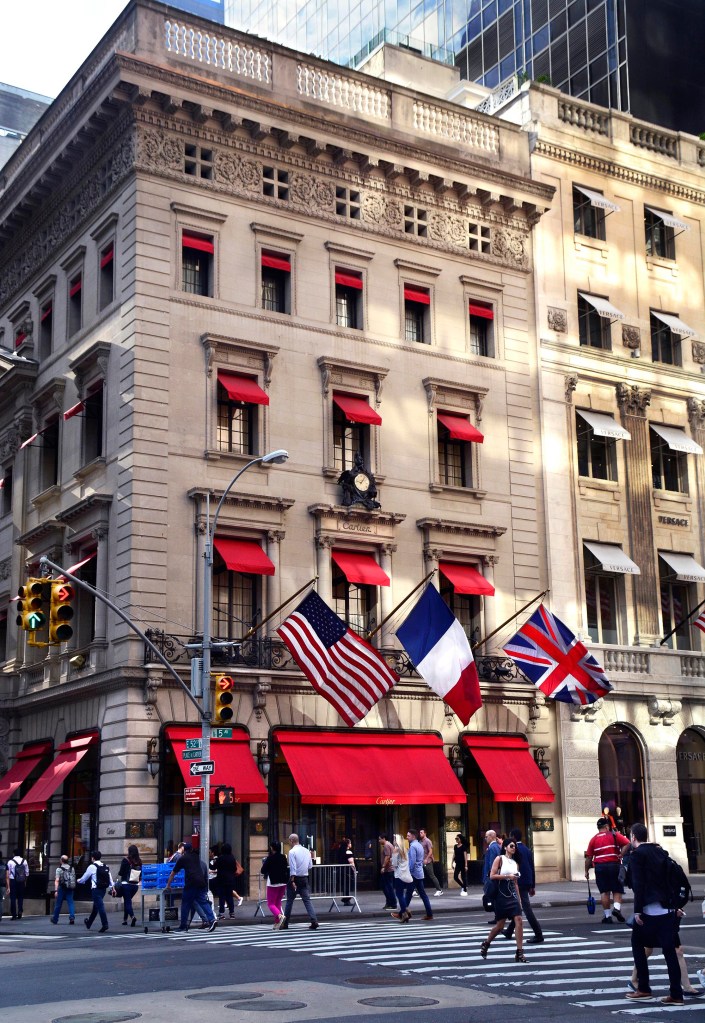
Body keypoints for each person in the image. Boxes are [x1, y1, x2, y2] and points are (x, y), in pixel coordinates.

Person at [626, 822, 684, 1006]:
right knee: (670, 953)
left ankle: (643, 988)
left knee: (637, 944)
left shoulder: (637, 855)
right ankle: (676, 994)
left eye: (630, 836)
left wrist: (637, 911)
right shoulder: (659, 851)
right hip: (667, 910)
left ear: (633, 837)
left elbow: (638, 884)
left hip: (649, 911)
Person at [480, 837, 528, 963]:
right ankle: (486, 943)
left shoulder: (514, 863)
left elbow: (516, 882)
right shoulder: (499, 859)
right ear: (505, 847)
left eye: (514, 846)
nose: (513, 848)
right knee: (500, 926)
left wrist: (519, 900)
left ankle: (519, 952)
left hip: (511, 893)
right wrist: (508, 876)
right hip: (501, 895)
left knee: (519, 920)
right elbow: (492, 875)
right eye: (511, 846)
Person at [585, 816, 630, 924]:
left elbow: (589, 858)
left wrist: (586, 871)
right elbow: (627, 843)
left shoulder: (593, 839)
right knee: (617, 889)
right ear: (606, 826)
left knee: (604, 891)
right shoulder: (614, 835)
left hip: (600, 867)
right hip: (614, 865)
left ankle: (608, 916)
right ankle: (617, 909)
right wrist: (621, 854)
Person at [164, 841, 217, 933]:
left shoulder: (183, 858)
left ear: (184, 850)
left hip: (191, 883)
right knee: (203, 902)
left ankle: (183, 926)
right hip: (201, 882)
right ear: (191, 849)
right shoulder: (196, 857)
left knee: (185, 904)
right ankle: (212, 919)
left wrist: (168, 885)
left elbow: (173, 873)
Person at [503, 828, 543, 944]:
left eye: (510, 837)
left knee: (525, 908)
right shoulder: (527, 849)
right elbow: (532, 867)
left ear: (514, 838)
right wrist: (532, 885)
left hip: (518, 882)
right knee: (518, 906)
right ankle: (509, 931)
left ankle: (538, 933)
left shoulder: (513, 850)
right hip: (527, 881)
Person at [276, 833, 318, 930]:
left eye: (289, 841)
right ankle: (314, 920)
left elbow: (293, 868)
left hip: (295, 878)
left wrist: (292, 880)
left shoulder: (292, 852)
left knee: (289, 901)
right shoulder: (306, 851)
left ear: (291, 841)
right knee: (307, 900)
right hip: (304, 878)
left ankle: (285, 923)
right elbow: (310, 866)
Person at [79, 850, 114, 933]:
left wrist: (79, 881)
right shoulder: (105, 865)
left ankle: (105, 924)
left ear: (93, 858)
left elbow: (84, 877)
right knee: (96, 907)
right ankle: (89, 923)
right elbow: (110, 878)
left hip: (96, 889)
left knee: (100, 906)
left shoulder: (92, 867)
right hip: (103, 889)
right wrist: (112, 887)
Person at [406, 829, 434, 920]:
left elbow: (412, 861)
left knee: (408, 894)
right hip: (419, 872)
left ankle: (402, 912)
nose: (407, 837)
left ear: (413, 836)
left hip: (414, 873)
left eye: (408, 836)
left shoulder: (413, 846)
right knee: (421, 894)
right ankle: (429, 914)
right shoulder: (419, 845)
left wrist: (409, 871)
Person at [261, 841, 289, 928]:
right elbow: (286, 867)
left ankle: (280, 916)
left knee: (271, 904)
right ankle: (277, 923)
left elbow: (263, 870)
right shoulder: (283, 857)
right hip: (283, 882)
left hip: (273, 882)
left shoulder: (270, 858)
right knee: (278, 903)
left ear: (272, 848)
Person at [213, 842, 243, 920]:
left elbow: (213, 867)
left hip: (221, 880)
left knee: (222, 897)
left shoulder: (220, 858)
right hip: (230, 879)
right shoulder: (232, 858)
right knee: (229, 896)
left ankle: (221, 913)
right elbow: (234, 869)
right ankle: (232, 913)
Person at [390, 836, 414, 922]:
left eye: (394, 839)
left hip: (399, 875)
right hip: (407, 875)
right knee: (404, 895)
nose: (392, 841)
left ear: (396, 841)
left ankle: (405, 911)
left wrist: (391, 859)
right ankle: (405, 912)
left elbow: (394, 864)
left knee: (399, 895)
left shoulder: (396, 850)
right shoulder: (405, 849)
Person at [117, 844, 142, 927]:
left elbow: (121, 873)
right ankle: (125, 920)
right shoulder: (139, 861)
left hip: (126, 884)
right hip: (135, 885)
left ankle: (132, 916)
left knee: (127, 902)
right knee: (127, 901)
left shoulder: (125, 860)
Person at [51, 855, 76, 925]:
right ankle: (72, 917)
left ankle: (55, 919)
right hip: (70, 888)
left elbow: (57, 880)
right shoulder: (72, 868)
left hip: (62, 888)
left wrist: (56, 890)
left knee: (58, 904)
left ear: (61, 860)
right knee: (70, 903)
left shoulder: (59, 869)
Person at [419, 828, 442, 896]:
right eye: (420, 832)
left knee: (432, 875)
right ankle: (417, 890)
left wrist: (427, 859)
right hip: (421, 861)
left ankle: (439, 890)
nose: (420, 834)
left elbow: (430, 851)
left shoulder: (427, 841)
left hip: (427, 862)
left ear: (425, 833)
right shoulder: (420, 842)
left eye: (421, 832)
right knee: (419, 876)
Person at [7, 847, 29, 920]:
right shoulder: (24, 861)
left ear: (13, 854)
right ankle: (20, 910)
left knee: (13, 897)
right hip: (21, 880)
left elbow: (8, 874)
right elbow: (27, 873)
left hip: (13, 880)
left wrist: (8, 885)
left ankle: (14, 914)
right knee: (20, 897)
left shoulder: (10, 862)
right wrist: (25, 881)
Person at [379, 834, 397, 910]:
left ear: (384, 838)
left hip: (388, 869)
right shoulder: (389, 844)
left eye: (380, 839)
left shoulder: (386, 845)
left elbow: (387, 857)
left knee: (387, 886)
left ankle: (392, 903)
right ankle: (389, 902)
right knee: (388, 886)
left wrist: (383, 867)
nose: (379, 841)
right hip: (390, 869)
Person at [337, 837, 356, 906]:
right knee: (347, 886)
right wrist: (354, 870)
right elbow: (351, 862)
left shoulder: (340, 851)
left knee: (344, 886)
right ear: (348, 844)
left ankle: (345, 899)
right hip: (347, 871)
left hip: (341, 870)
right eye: (350, 843)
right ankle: (346, 899)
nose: (351, 844)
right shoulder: (348, 852)